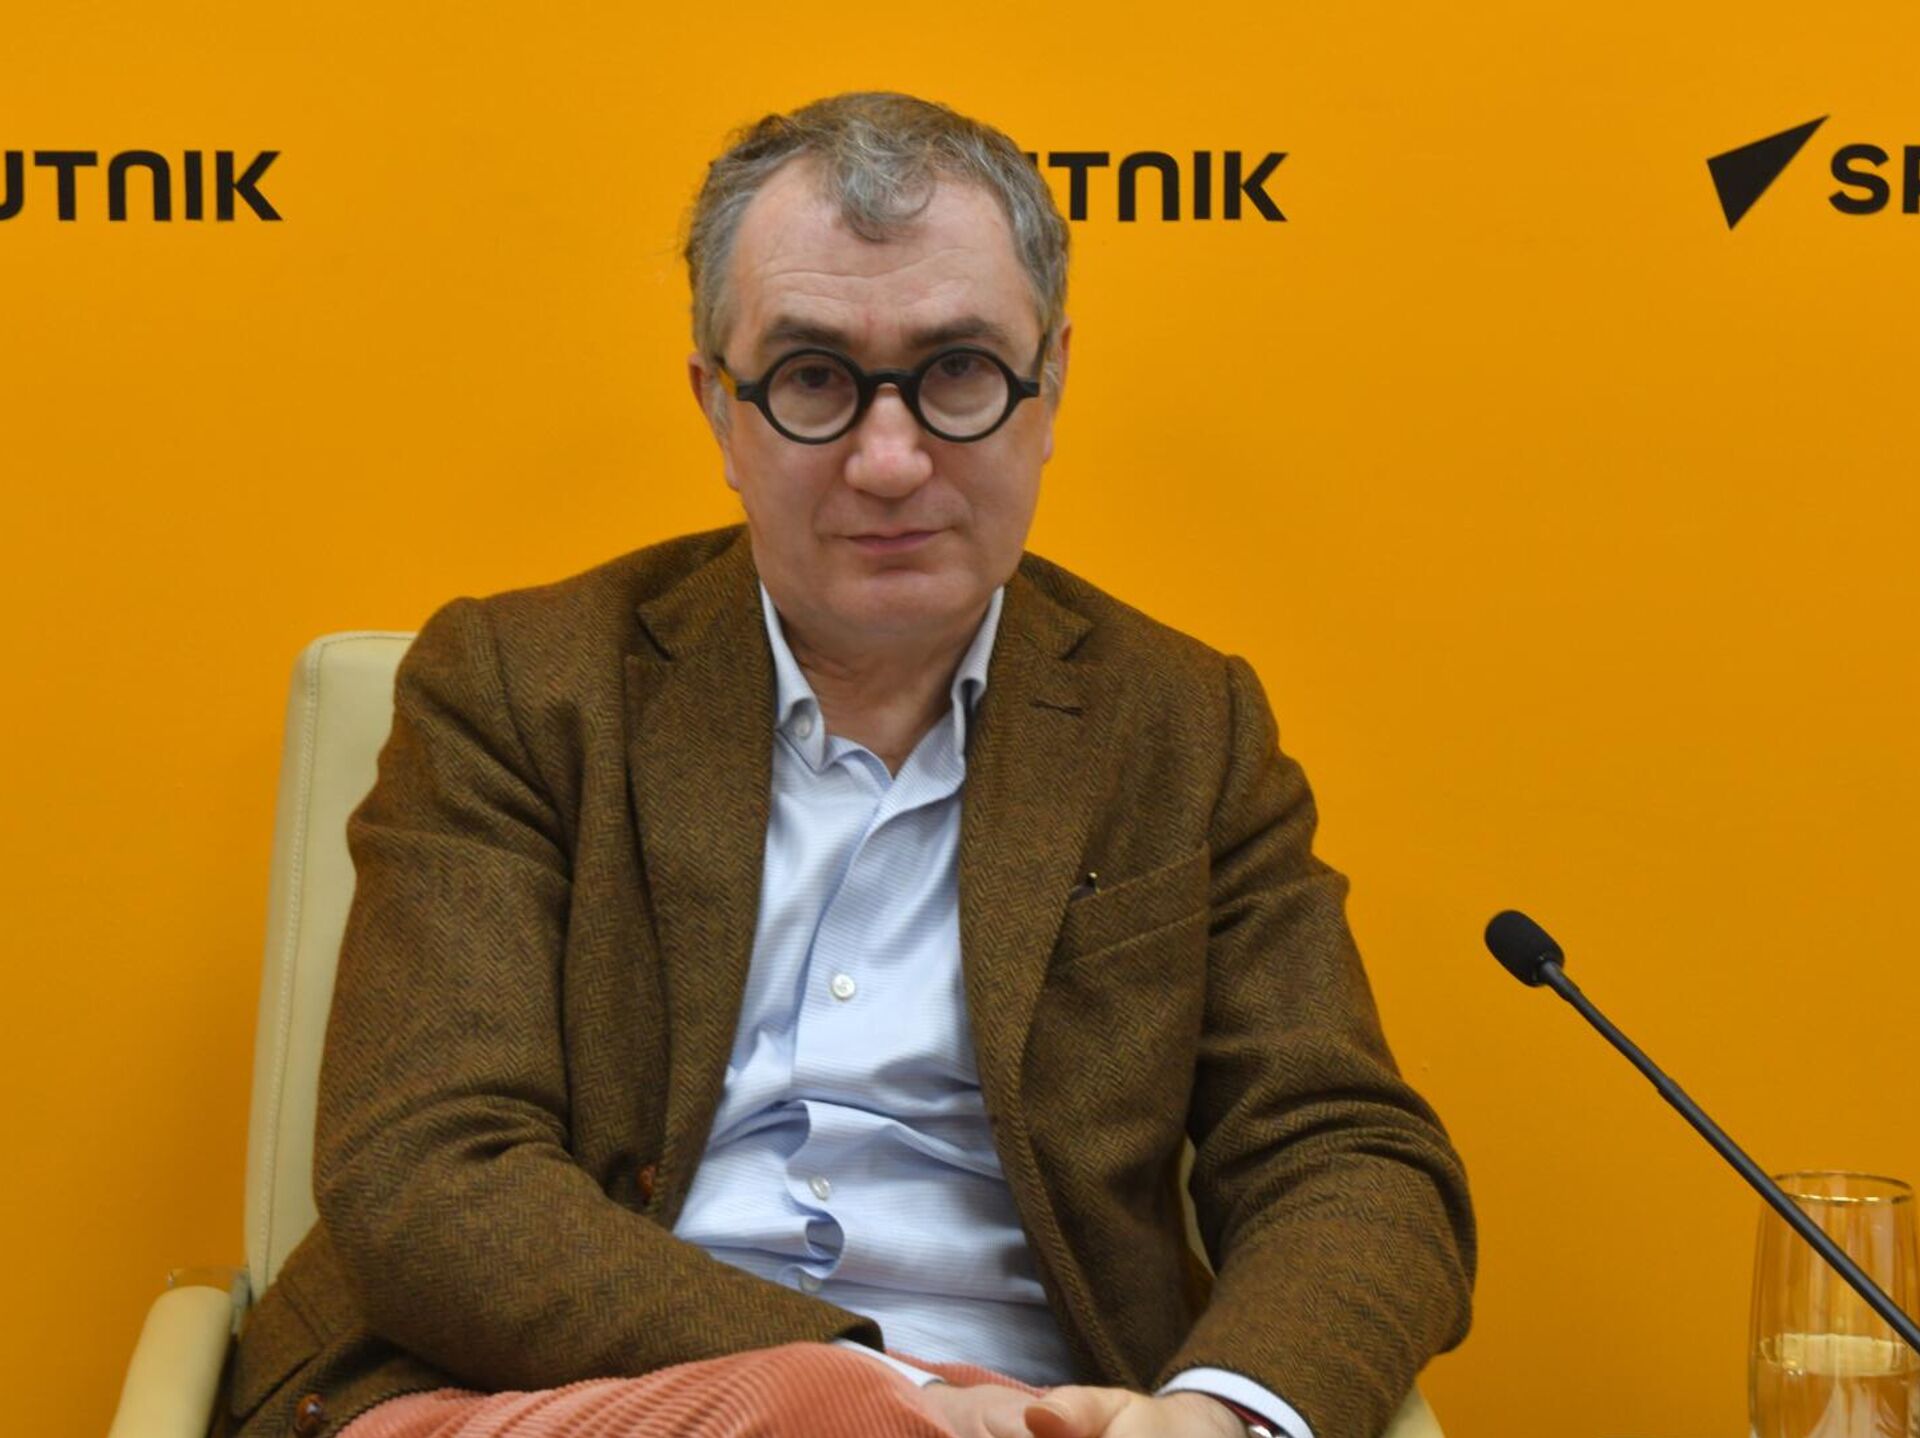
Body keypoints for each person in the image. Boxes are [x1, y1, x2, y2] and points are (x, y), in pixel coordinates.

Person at [220, 92, 1475, 1438]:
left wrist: (1219, 1414)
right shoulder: (521, 687)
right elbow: (428, 1173)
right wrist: (886, 1396)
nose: (889, 460)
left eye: (959, 371)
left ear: (1050, 386)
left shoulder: (1182, 726)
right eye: (814, 378)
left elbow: (1346, 1156)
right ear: (720, 408)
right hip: (552, 1392)